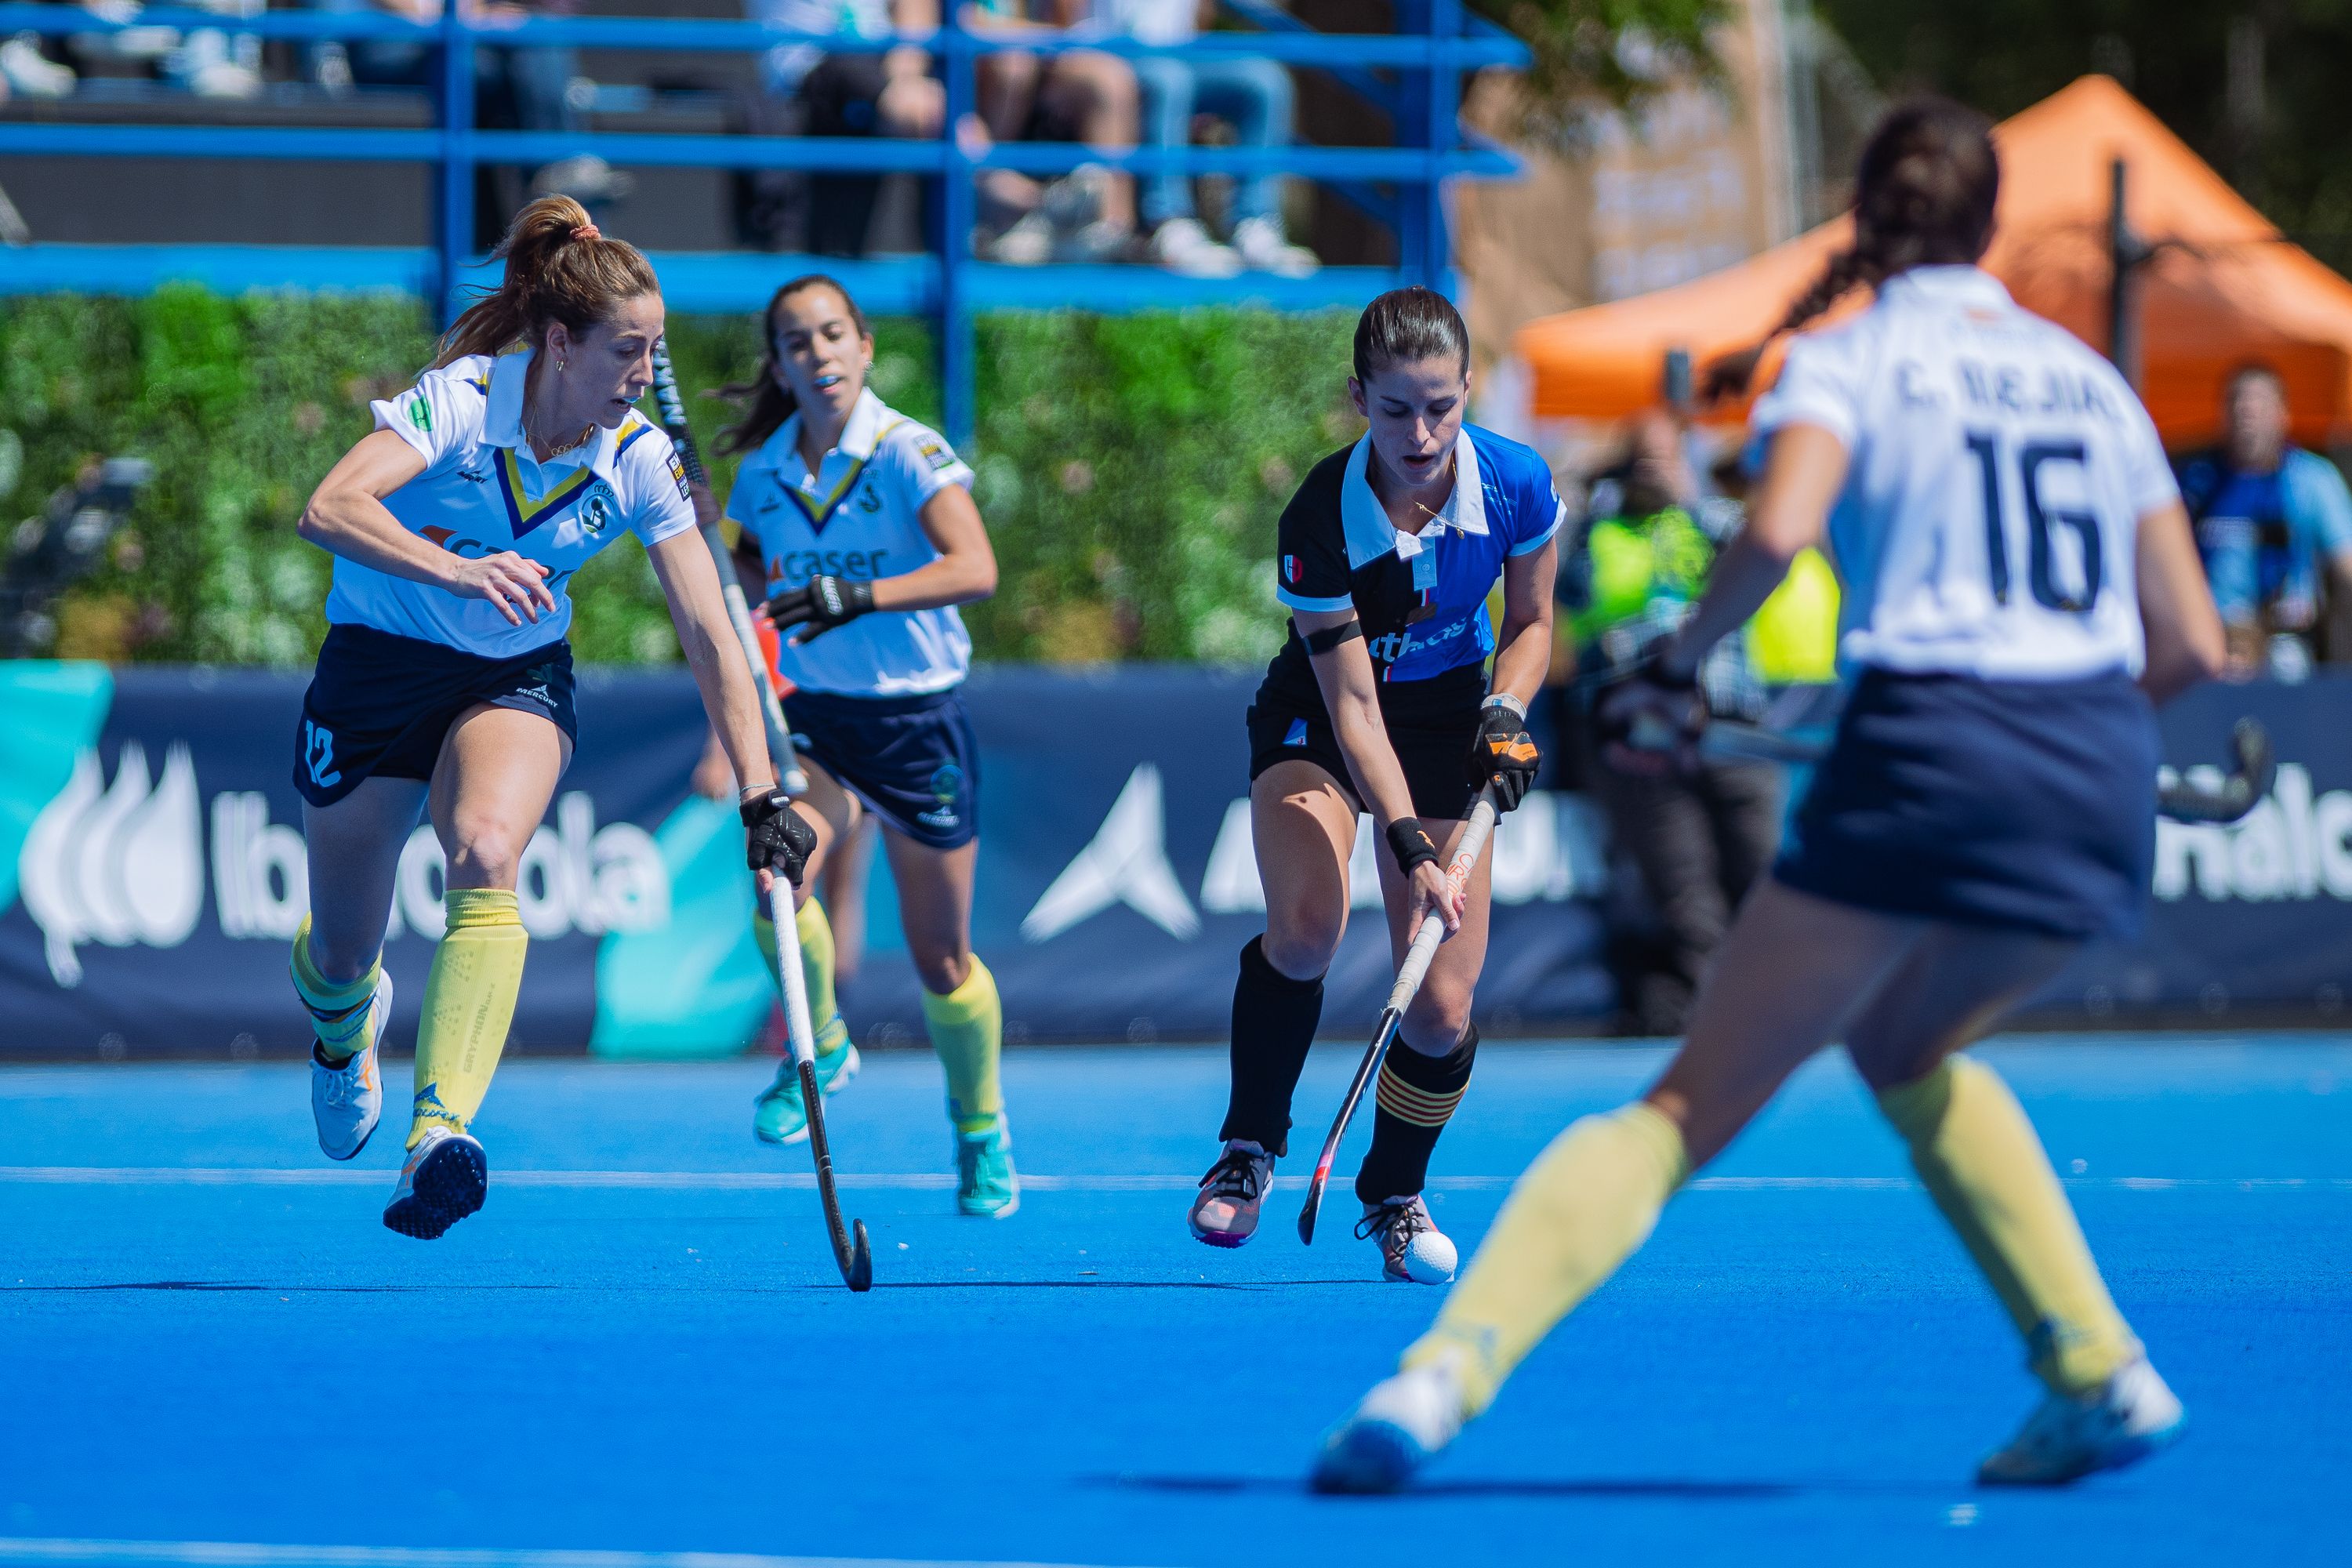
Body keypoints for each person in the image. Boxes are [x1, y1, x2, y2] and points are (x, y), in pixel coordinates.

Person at [1312, 100, 2226, 1490]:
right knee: (1906, 1044)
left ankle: (1439, 1382)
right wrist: (2065, 737)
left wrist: (1677, 665)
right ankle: (2100, 1365)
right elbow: (2195, 646)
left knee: (1683, 1109)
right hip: (2096, 768)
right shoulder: (2090, 379)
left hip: (1930, 744)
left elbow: (1781, 528)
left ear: (1861, 218)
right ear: (1993, 226)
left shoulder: (1848, 361)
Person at [289, 196, 814, 1240]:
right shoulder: (459, 402)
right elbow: (330, 508)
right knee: (342, 954)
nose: (645, 372)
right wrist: (457, 569)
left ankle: (439, 1131)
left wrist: (762, 796)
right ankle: (344, 1035)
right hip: (378, 663)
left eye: (655, 350)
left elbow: (712, 633)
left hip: (513, 670)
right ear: (561, 343)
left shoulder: (639, 458)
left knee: (488, 845)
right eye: (628, 349)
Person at [1186, 286, 1561, 1283]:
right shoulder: (1320, 515)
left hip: (1447, 718)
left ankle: (1394, 1192)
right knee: (1307, 927)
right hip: (1320, 715)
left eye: (1441, 405)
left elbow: (1532, 625)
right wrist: (1408, 846)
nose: (1420, 433)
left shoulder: (1518, 482)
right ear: (1359, 398)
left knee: (1440, 1007)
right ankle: (1250, 1145)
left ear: (1470, 387)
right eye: (1395, 409)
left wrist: (1505, 711)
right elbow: (1355, 710)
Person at [710, 273, 1017, 1218]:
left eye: (833, 334)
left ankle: (980, 1127)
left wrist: (862, 595)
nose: (819, 354)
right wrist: (706, 540)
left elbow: (977, 567)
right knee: (778, 873)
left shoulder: (905, 451)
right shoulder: (764, 474)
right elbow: (744, 580)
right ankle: (825, 1040)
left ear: (865, 345)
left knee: (941, 959)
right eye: (798, 342)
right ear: (779, 365)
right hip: (824, 727)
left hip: (918, 724)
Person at [1561, 408, 1784, 1035]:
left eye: (1664, 457)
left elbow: (1760, 552)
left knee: (1764, 868)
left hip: (1729, 721)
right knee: (1683, 885)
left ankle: (1786, 1005)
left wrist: (1688, 496)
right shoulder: (1601, 529)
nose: (1652, 472)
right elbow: (1567, 590)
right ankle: (1717, 1019)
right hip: (1641, 734)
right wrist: (1585, 492)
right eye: (1641, 460)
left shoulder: (1712, 516)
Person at [1092, 0, 1319, 278]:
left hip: (1183, 55)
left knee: (1266, 82)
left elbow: (1201, 14)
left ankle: (1255, 222)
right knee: (1170, 79)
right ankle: (1167, 222)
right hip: (1108, 54)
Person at [2176, 362, 2352, 679]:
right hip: (2211, 641)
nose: (2247, 411)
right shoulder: (2195, 482)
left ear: (2283, 414)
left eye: (2259, 401)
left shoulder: (2311, 479)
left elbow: (2346, 565)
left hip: (2284, 644)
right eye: (2237, 400)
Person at [739, 0, 944, 256]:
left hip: (880, 66)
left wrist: (905, 74)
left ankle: (984, 197)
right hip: (811, 64)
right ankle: (987, 189)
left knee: (937, 104)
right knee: (936, 111)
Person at [965, 0, 1138, 263]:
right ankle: (1011, 217)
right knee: (1013, 66)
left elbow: (1065, 23)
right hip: (970, 69)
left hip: (1042, 59)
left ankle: (1111, 232)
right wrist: (1036, 34)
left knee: (1111, 79)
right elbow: (966, 21)